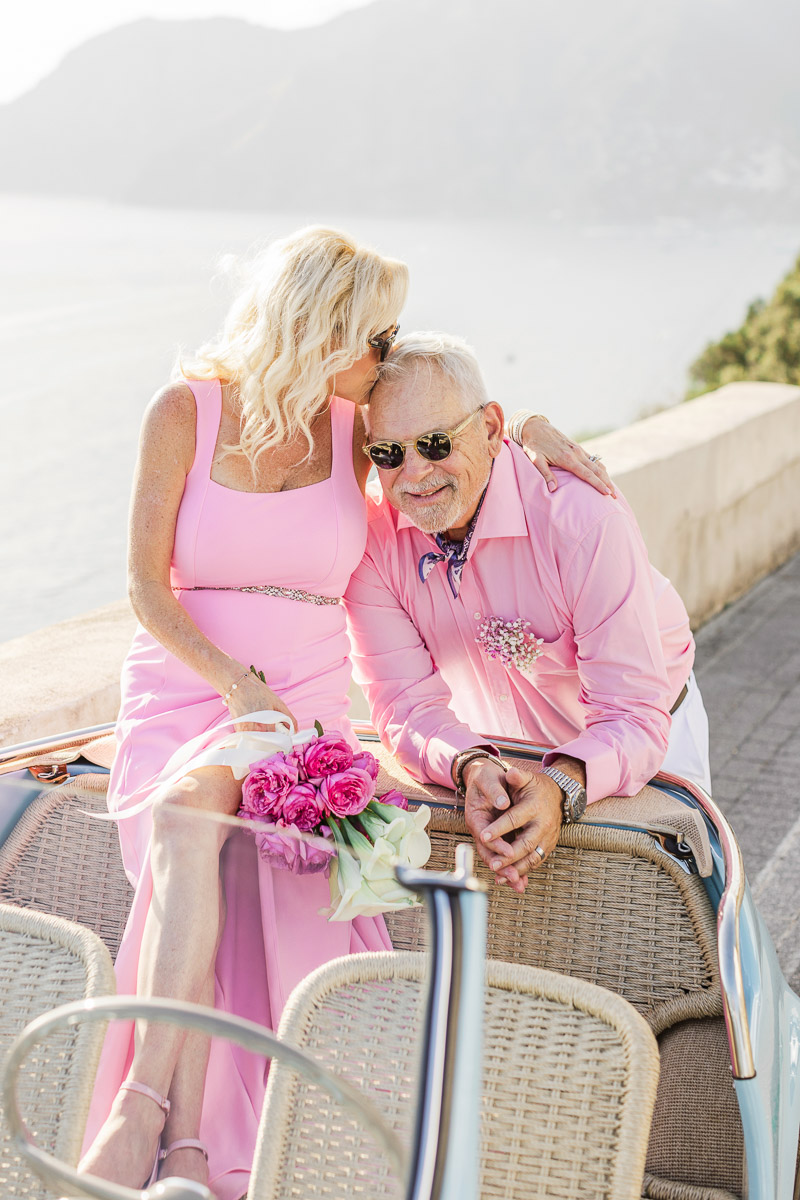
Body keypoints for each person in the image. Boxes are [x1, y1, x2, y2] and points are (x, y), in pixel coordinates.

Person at [79, 229, 608, 1200]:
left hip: (307, 707)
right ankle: (178, 1137)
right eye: (377, 334)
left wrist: (525, 429)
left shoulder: (346, 431)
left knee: (228, 837)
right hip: (192, 686)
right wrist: (235, 682)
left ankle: (155, 1124)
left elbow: (442, 447)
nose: (384, 355)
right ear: (323, 328)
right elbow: (146, 592)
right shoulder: (183, 413)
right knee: (193, 810)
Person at [344, 331, 712, 897]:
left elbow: (633, 712)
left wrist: (563, 782)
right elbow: (403, 704)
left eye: (436, 443)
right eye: (388, 453)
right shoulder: (372, 544)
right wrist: (468, 765)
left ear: (490, 429)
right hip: (503, 755)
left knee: (669, 921)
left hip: (645, 740)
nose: (414, 475)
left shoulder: (581, 519)